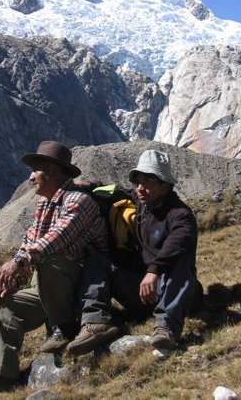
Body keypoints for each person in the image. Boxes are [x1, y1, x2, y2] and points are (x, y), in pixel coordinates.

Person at [0, 141, 107, 396]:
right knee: (4, 305)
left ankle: (66, 327)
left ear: (52, 172)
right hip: (47, 285)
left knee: (48, 259)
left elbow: (57, 238)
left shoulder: (79, 201)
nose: (30, 178)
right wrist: (9, 279)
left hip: (79, 287)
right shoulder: (44, 205)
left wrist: (19, 263)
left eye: (36, 171)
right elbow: (29, 241)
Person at [66, 149, 198, 357]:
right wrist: (90, 187)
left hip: (172, 289)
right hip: (143, 292)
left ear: (164, 184)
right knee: (97, 262)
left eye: (147, 182)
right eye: (138, 182)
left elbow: (177, 243)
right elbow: (117, 191)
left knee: (180, 262)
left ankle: (166, 327)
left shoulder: (180, 214)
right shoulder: (141, 203)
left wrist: (154, 271)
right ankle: (95, 322)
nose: (140, 188)